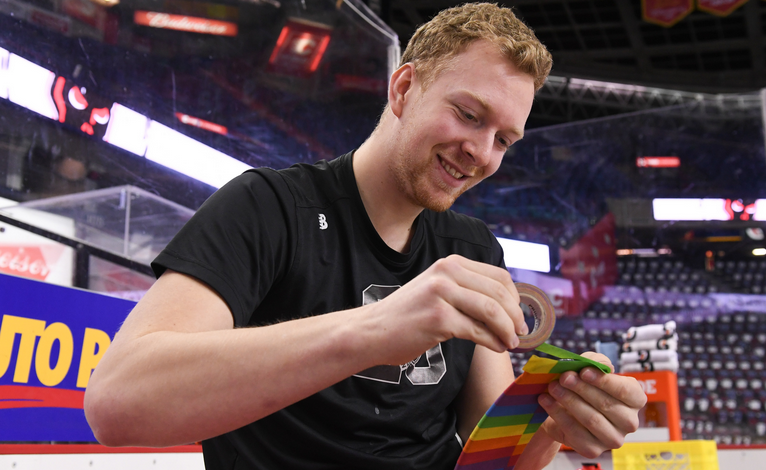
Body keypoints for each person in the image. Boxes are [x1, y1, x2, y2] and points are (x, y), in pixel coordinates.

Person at [84, 3, 647, 469]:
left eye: (504, 139)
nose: (482, 152)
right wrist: (377, 328)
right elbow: (117, 404)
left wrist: (555, 422)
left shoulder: (472, 247)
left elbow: (494, 460)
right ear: (404, 88)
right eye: (469, 115)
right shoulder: (269, 207)